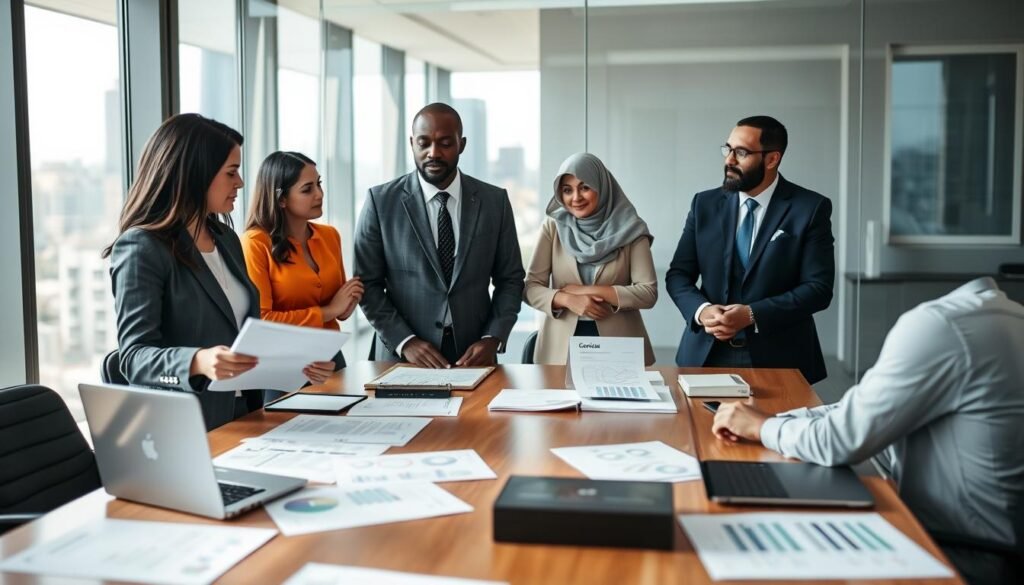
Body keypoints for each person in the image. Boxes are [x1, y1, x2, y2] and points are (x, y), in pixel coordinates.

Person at [712, 278, 1024, 585]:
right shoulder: (1008, 318)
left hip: (951, 554)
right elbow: (863, 408)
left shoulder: (941, 326)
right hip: (993, 547)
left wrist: (764, 427)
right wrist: (770, 420)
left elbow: (840, 441)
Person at [105, 114, 323, 430]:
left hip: (245, 414)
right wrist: (198, 361)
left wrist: (293, 361)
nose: (241, 183)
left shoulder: (225, 238)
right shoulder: (142, 247)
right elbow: (134, 358)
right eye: (231, 172)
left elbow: (245, 334)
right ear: (195, 175)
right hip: (187, 426)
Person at [665, 115, 834, 384]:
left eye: (741, 152)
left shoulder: (810, 208)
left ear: (771, 159)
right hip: (706, 356)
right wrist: (702, 310)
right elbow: (678, 275)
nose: (729, 160)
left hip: (781, 360)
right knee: (702, 428)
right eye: (728, 149)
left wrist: (752, 314)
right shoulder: (704, 204)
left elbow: (818, 288)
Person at [354, 102, 525, 367]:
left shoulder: (495, 201)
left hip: (474, 357)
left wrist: (492, 337)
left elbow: (511, 279)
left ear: (462, 144)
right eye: (424, 143)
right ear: (412, 143)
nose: (433, 153)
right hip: (400, 359)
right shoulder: (380, 202)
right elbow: (367, 284)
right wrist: (405, 341)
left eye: (445, 143)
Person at [241, 151, 363, 392]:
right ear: (281, 199)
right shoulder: (256, 243)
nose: (319, 194)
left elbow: (339, 313)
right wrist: (328, 311)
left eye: (319, 184)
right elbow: (263, 319)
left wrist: (350, 299)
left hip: (330, 360)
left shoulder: (330, 236)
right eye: (307, 189)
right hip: (283, 366)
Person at [524, 153, 657, 365]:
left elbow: (648, 292)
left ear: (601, 186)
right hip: (559, 348)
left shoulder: (631, 229)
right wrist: (569, 299)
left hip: (619, 347)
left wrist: (585, 291)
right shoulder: (553, 227)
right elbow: (530, 287)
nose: (576, 197)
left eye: (585, 187)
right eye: (567, 190)